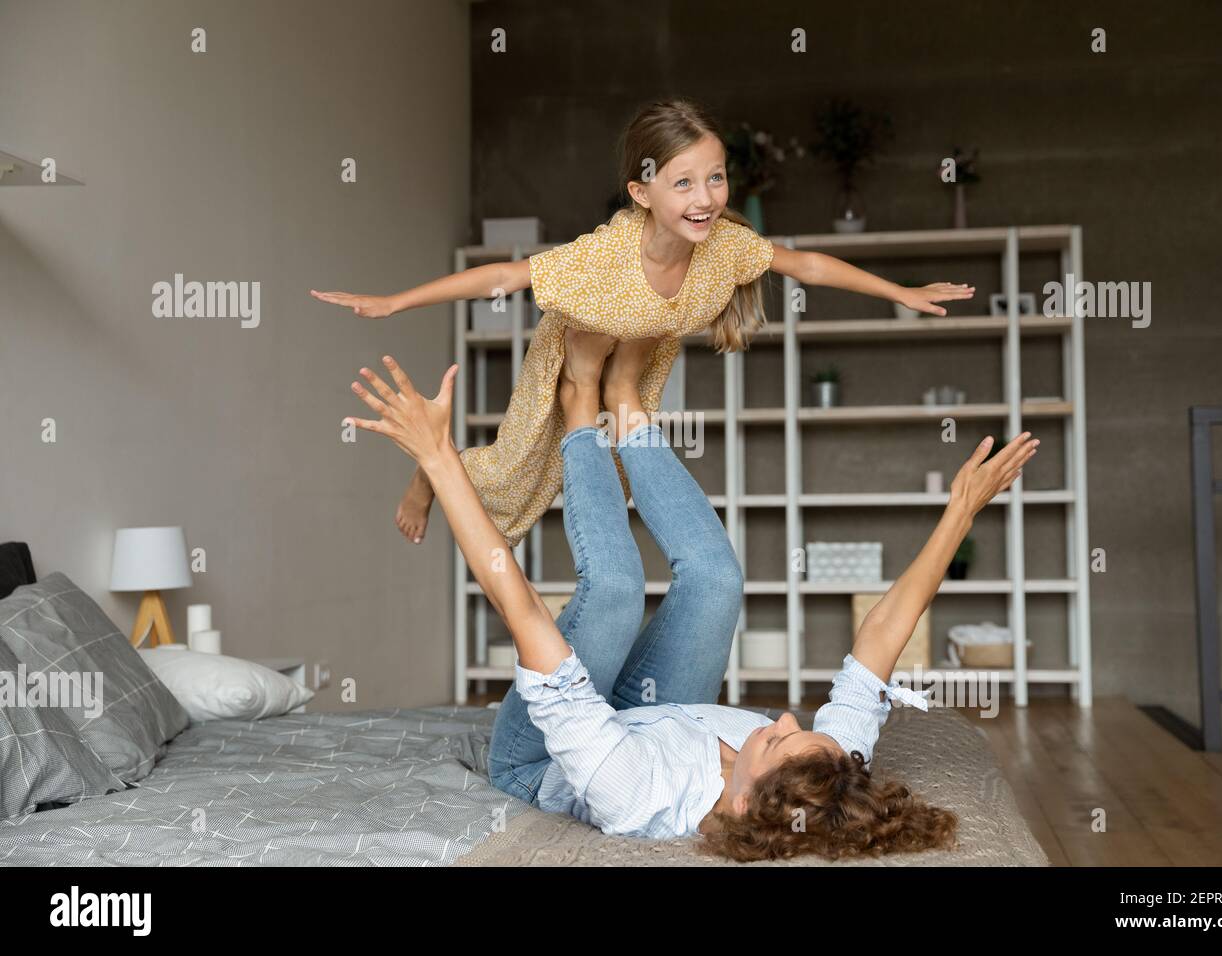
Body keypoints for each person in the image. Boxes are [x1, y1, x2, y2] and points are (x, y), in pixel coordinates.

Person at [344, 330, 1039, 862]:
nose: (790, 715)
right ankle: (628, 408)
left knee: (614, 590)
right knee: (716, 584)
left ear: (745, 798)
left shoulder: (637, 790)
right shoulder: (823, 770)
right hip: (652, 714)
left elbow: (518, 605)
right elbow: (882, 636)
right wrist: (961, 511)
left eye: (778, 738)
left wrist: (438, 458)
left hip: (544, 757)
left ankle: (582, 409)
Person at [316, 96, 975, 549]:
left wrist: (901, 291)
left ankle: (600, 415)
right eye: (683, 184)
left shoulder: (726, 247)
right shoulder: (601, 257)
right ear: (643, 194)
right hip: (573, 351)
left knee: (618, 472)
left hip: (645, 349)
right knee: (520, 470)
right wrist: (394, 302)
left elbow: (805, 265)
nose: (706, 198)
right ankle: (432, 472)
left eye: (714, 178)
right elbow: (505, 278)